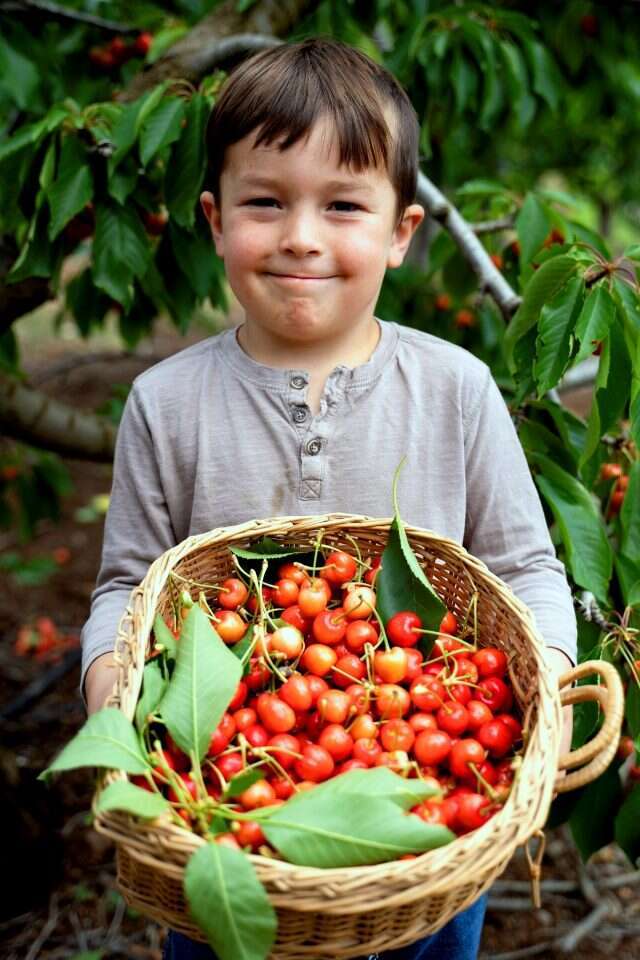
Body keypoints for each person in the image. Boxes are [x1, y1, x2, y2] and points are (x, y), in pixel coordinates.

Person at [81, 36, 576, 960]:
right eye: (265, 202)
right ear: (214, 220)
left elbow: (527, 568)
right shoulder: (165, 403)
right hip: (229, 838)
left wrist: (547, 674)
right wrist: (112, 688)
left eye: (343, 205)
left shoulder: (457, 390)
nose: (301, 236)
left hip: (426, 851)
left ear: (401, 232)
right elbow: (127, 587)